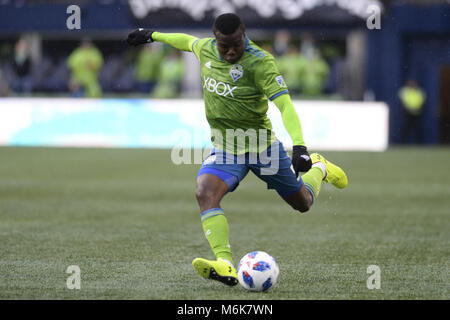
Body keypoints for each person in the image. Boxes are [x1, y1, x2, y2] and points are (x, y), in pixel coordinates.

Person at [126, 13, 348, 287]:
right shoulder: (206, 48)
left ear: (243, 34)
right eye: (224, 45)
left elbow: (285, 105)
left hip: (262, 146)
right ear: (215, 38)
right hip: (226, 146)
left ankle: (320, 167)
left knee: (302, 203)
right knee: (205, 192)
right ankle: (224, 263)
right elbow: (185, 41)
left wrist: (300, 146)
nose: (230, 51)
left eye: (235, 44)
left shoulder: (261, 62)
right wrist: (151, 35)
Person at [399, 80, 426, 144]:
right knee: (406, 129)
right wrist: (409, 109)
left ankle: (419, 144)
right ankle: (403, 143)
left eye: (413, 84)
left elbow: (421, 101)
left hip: (417, 113)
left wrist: (417, 109)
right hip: (408, 113)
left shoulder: (419, 92)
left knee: (418, 129)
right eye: (410, 84)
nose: (412, 85)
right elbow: (403, 100)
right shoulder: (405, 91)